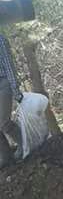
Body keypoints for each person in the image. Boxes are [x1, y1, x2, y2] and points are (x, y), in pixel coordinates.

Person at [0, 33, 23, 169]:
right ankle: (6, 157)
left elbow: (9, 66)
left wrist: (15, 90)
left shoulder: (1, 39)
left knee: (3, 122)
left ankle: (25, 144)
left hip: (3, 84)